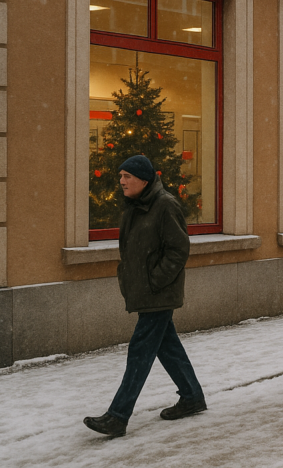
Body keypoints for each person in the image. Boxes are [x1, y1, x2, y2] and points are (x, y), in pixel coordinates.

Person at [83, 155, 205, 437]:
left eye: (127, 176)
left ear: (144, 179)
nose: (121, 181)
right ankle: (192, 396)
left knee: (140, 351)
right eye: (121, 176)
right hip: (146, 291)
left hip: (158, 293)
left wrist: (155, 281)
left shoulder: (164, 205)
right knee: (168, 347)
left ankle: (118, 416)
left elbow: (178, 249)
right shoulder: (135, 207)